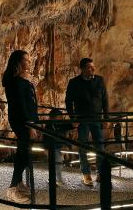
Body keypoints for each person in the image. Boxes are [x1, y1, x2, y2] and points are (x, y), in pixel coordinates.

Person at [65, 58, 109, 186]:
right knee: (83, 146)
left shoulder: (99, 80)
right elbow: (68, 101)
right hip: (82, 119)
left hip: (96, 119)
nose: (93, 69)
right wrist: (73, 118)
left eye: (93, 67)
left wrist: (106, 118)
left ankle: (101, 173)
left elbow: (105, 100)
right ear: (83, 69)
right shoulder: (74, 83)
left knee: (100, 146)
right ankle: (86, 173)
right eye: (90, 67)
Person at [2, 50, 38, 204]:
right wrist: (30, 124)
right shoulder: (17, 81)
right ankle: (12, 189)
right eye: (26, 60)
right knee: (23, 152)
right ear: (18, 62)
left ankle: (17, 183)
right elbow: (22, 104)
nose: (29, 62)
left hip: (24, 120)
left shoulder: (20, 80)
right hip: (22, 121)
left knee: (25, 151)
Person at [45, 108, 73, 186]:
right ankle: (58, 180)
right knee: (58, 163)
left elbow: (70, 126)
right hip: (52, 147)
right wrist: (46, 149)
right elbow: (45, 138)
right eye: (59, 116)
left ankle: (53, 178)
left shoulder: (61, 124)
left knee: (58, 163)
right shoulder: (49, 126)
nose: (60, 118)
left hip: (59, 146)